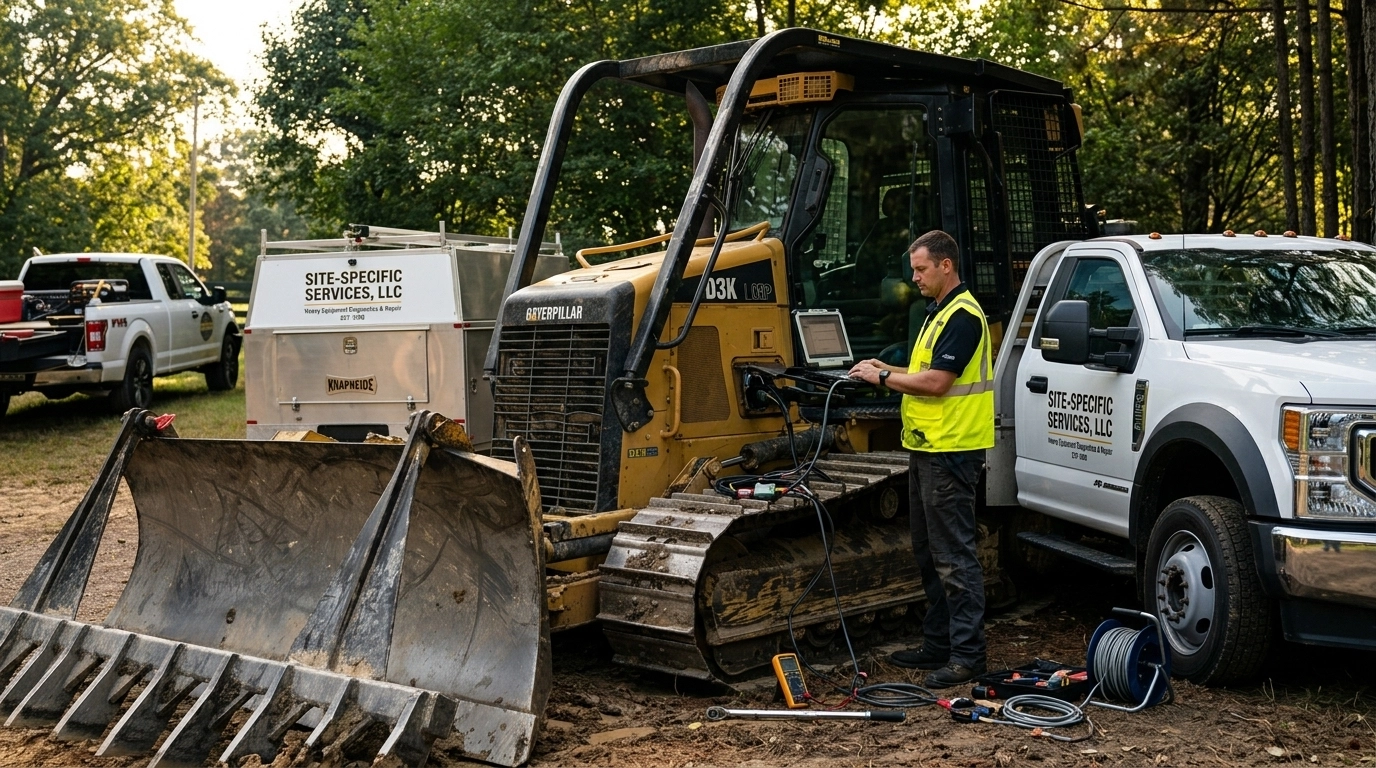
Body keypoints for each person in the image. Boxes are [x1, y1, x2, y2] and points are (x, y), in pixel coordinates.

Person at [848, 229, 995, 688]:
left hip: (951, 452)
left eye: (920, 269)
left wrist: (882, 378)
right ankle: (938, 644)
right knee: (929, 553)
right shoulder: (939, 313)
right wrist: (884, 368)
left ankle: (967, 656)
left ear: (946, 265)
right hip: (928, 449)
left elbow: (936, 383)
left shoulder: (963, 317)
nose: (914, 278)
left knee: (954, 557)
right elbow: (925, 372)